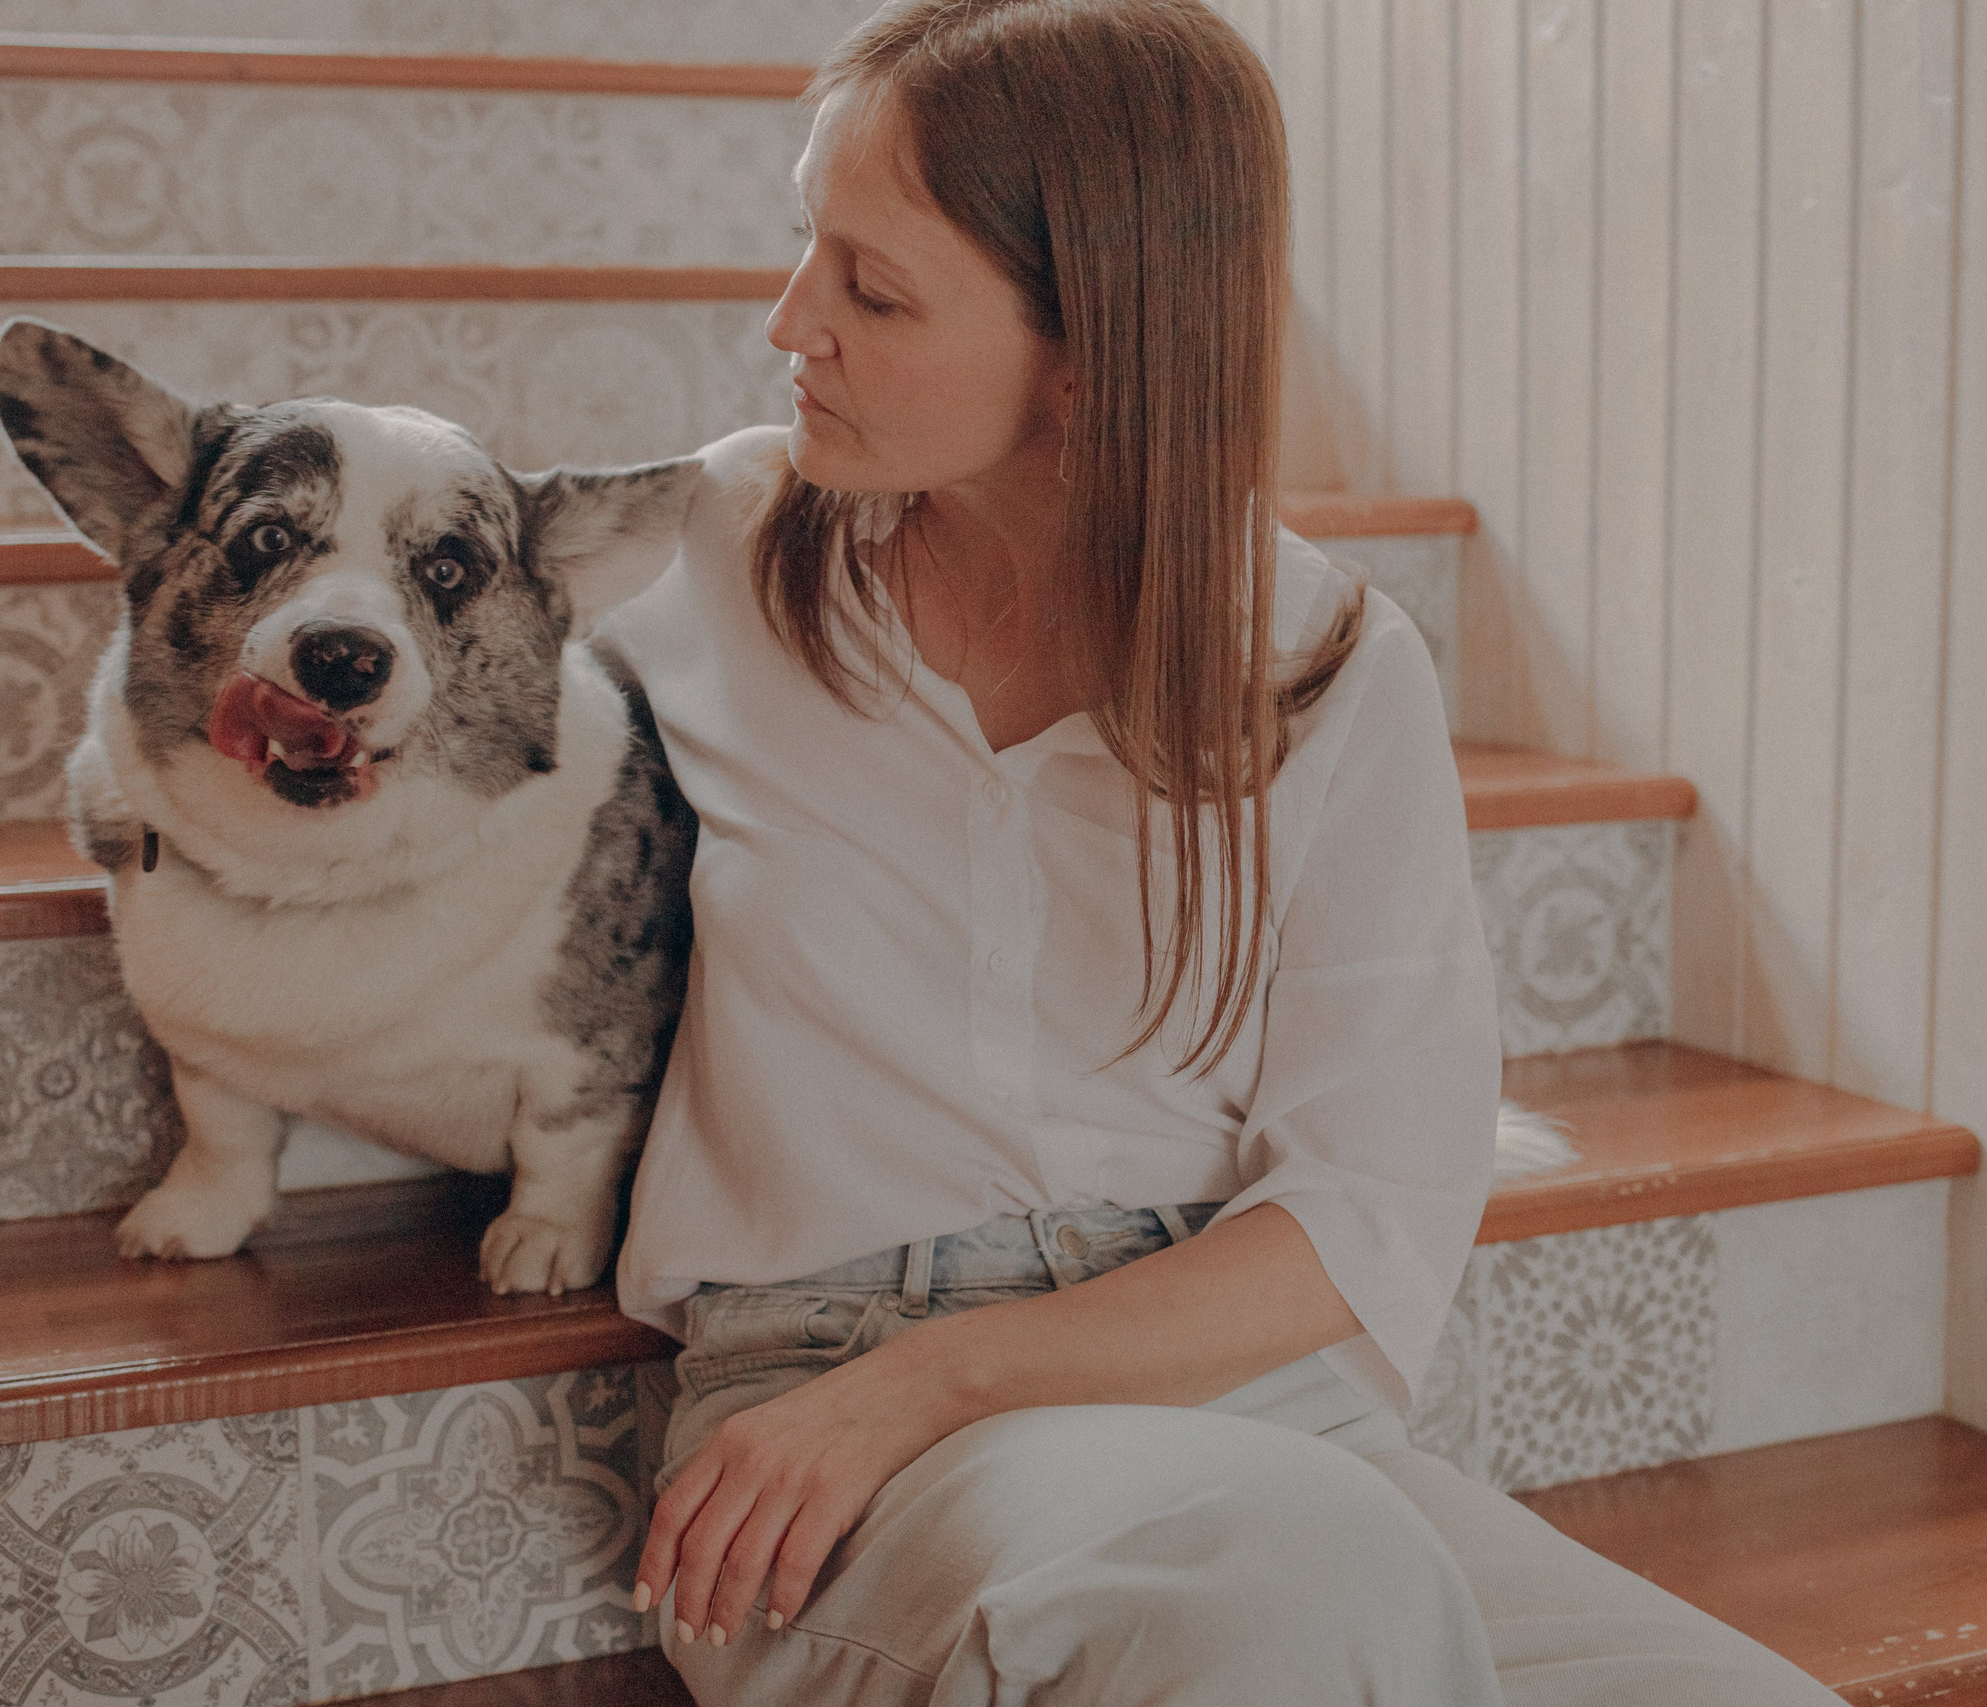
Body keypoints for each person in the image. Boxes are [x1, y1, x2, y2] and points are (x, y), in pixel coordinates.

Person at [590, 1, 1840, 1701]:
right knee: (1287, 1583)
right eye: (807, 245)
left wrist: (946, 1377)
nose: (786, 321)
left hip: (1246, 1422)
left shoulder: (1325, 664)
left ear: (1095, 350)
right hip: (829, 1431)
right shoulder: (710, 553)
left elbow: (1362, 1204)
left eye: (874, 290)